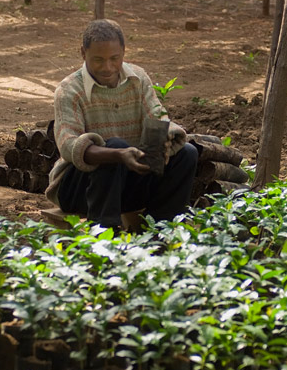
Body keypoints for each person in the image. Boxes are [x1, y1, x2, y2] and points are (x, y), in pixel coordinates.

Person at [45, 19, 198, 229]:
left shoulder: (138, 78)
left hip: (126, 184)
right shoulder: (69, 90)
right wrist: (117, 154)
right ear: (83, 53)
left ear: (124, 52)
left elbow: (157, 118)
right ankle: (105, 233)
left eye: (114, 58)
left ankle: (160, 230)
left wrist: (162, 140)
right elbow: (69, 146)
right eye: (98, 60)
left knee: (187, 153)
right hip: (78, 189)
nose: (107, 67)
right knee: (115, 146)